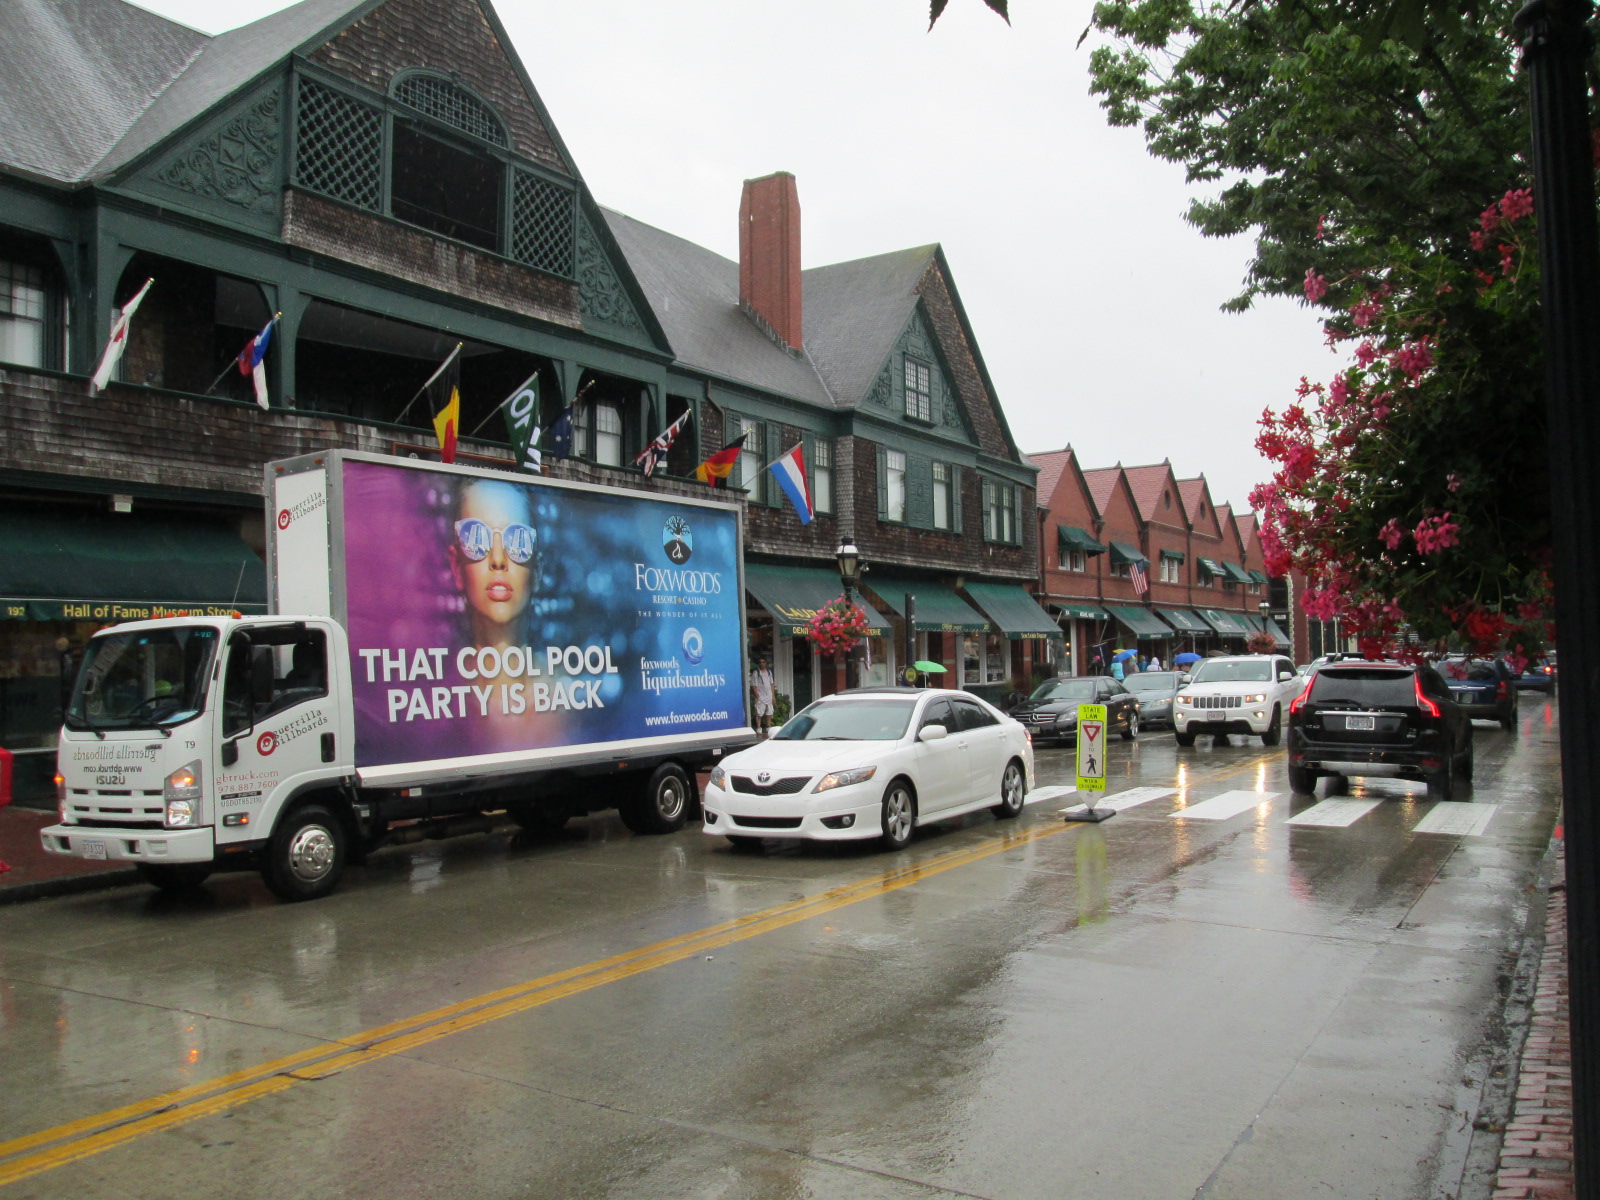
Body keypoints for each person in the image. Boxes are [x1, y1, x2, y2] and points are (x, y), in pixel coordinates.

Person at [450, 478, 537, 654]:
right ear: (457, 567)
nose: (498, 560)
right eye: (476, 538)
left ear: (537, 572)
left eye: (518, 541)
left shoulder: (575, 680)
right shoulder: (427, 680)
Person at [750, 655, 775, 736]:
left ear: (766, 663)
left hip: (768, 695)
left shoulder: (769, 672)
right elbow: (753, 685)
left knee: (769, 712)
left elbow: (772, 684)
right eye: (760, 662)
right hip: (760, 695)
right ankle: (759, 727)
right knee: (759, 713)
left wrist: (773, 696)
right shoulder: (756, 673)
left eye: (763, 662)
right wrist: (757, 696)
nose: (762, 664)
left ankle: (768, 726)